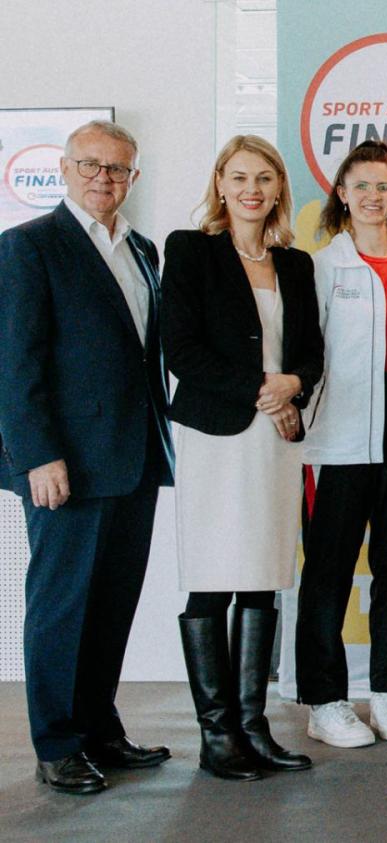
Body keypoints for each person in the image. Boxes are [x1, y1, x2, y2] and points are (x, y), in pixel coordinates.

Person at [0, 120, 174, 794]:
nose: (104, 177)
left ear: (134, 177)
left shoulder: (142, 248)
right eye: (91, 165)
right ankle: (57, 743)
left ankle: (100, 728)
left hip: (134, 455)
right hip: (65, 464)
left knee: (111, 603)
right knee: (61, 604)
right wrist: (37, 455)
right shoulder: (28, 246)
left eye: (118, 168)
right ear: (65, 170)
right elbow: (15, 363)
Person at [162, 134, 323, 781]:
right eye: (239, 177)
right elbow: (181, 350)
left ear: (279, 186)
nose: (252, 189)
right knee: (213, 576)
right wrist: (267, 391)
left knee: (262, 574)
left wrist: (293, 386)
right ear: (220, 184)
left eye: (264, 178)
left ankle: (253, 728)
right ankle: (216, 735)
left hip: (277, 440)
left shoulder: (296, 264)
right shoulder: (191, 250)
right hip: (217, 436)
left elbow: (310, 354)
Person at [297, 139, 387, 748]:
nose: (373, 196)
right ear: (342, 195)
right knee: (327, 573)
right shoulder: (322, 267)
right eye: (362, 186)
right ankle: (324, 700)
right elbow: (305, 355)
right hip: (341, 438)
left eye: (384, 186)